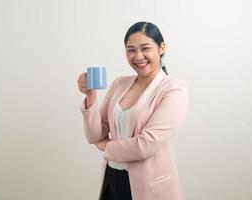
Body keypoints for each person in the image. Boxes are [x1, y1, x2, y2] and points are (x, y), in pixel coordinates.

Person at [77, 21, 188, 200]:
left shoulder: (174, 89)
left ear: (161, 48)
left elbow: (146, 145)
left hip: (149, 186)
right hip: (112, 179)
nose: (138, 56)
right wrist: (91, 95)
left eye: (145, 48)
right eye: (131, 50)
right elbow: (94, 135)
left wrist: (106, 146)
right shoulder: (120, 83)